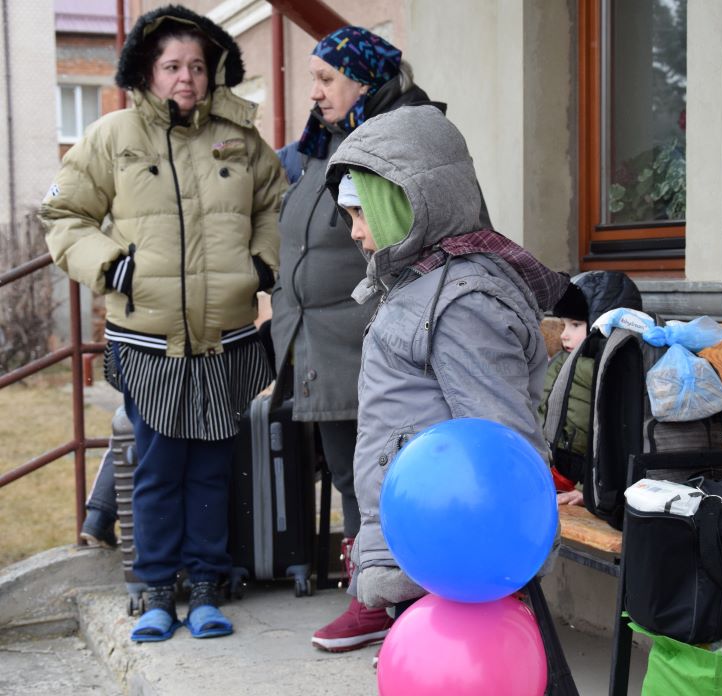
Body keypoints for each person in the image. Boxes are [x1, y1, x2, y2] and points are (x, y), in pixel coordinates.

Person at [40, 5, 284, 643]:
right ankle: (154, 591)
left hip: (224, 334)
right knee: (156, 465)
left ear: (214, 73)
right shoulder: (112, 136)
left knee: (211, 464)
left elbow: (273, 205)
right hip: (148, 338)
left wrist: (263, 262)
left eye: (198, 67)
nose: (186, 78)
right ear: (146, 72)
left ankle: (205, 586)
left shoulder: (239, 138)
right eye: (173, 66)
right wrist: (110, 265)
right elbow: (64, 217)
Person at [318, 104, 567, 642]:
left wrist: (501, 552)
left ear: (406, 203)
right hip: (423, 536)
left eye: (362, 213)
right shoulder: (419, 286)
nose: (355, 233)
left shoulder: (462, 301)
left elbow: (501, 437)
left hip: (453, 541)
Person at [266, 26, 442, 654]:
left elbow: (423, 229)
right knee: (348, 470)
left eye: (326, 78)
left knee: (377, 473)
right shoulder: (326, 145)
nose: (314, 91)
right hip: (320, 337)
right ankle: (369, 590)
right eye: (312, 77)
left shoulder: (401, 137)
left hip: (370, 332)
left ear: (365, 80)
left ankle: (383, 597)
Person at [539, 272, 643, 506]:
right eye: (564, 324)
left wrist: (586, 489)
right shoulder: (563, 360)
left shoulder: (611, 367)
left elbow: (612, 438)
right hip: (551, 467)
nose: (564, 334)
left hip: (585, 478)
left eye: (575, 325)